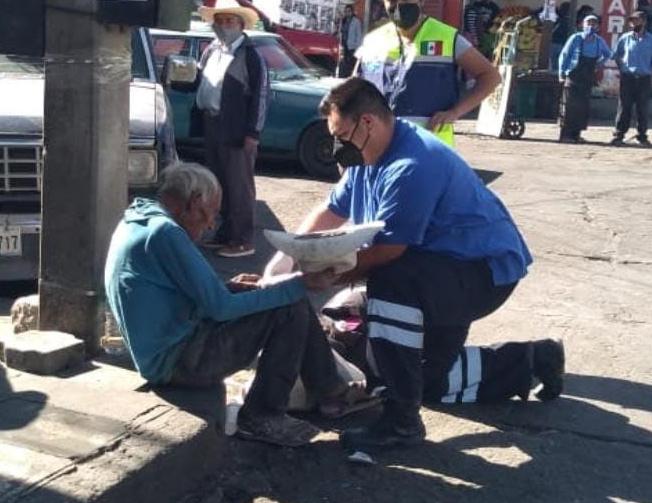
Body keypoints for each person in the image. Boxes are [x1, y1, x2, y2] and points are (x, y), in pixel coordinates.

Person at [264, 78, 566, 453]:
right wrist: (283, 263)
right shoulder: (366, 158)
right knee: (425, 380)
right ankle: (534, 360)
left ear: (368, 123)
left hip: (480, 274)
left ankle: (402, 422)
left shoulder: (412, 163)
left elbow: (388, 252)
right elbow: (330, 211)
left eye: (342, 135)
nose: (338, 147)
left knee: (390, 284)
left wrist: (321, 277)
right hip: (442, 268)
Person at [104, 163, 376, 447]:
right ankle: (264, 415)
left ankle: (329, 388)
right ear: (195, 203)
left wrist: (228, 287)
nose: (211, 225)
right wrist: (299, 284)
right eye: (211, 214)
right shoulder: (165, 233)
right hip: (177, 363)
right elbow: (220, 309)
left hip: (167, 352)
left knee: (279, 294)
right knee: (289, 304)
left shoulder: (137, 221)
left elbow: (180, 295)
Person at [354, 0, 501, 146]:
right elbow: (353, 88)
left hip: (430, 149)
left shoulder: (447, 37)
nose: (398, 5)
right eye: (392, 1)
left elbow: (490, 76)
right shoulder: (373, 41)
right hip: (380, 147)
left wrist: (455, 112)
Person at [195, 0, 268, 258]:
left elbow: (261, 96)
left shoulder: (250, 55)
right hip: (212, 123)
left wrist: (253, 133)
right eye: (220, 21)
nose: (224, 26)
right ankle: (225, 233)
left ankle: (243, 240)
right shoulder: (211, 49)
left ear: (240, 24)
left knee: (239, 187)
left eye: (229, 21)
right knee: (218, 183)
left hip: (237, 130)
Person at [558, 15, 611, 143]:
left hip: (587, 78)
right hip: (573, 76)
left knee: (582, 107)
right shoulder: (575, 38)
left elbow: (608, 54)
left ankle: (577, 134)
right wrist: (561, 74)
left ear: (598, 27)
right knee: (569, 105)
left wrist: (598, 64)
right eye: (588, 23)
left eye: (594, 23)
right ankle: (565, 135)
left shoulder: (599, 41)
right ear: (582, 24)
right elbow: (564, 55)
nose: (591, 26)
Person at [611, 11, 652, 147]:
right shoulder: (625, 38)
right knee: (624, 107)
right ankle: (619, 135)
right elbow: (616, 55)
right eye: (632, 21)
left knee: (643, 108)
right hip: (628, 78)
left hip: (644, 78)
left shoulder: (650, 40)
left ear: (644, 22)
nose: (634, 23)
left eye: (637, 20)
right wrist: (622, 69)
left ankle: (642, 136)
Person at [337, 5, 363, 78]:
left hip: (352, 46)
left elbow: (359, 35)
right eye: (346, 11)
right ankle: (344, 76)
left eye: (349, 11)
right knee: (344, 63)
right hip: (344, 45)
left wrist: (358, 47)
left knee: (351, 63)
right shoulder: (344, 20)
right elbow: (341, 31)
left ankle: (350, 77)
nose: (347, 13)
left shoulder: (356, 21)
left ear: (352, 12)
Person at [550, 2, 571, 73]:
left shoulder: (558, 20)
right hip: (560, 44)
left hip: (556, 43)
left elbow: (552, 31)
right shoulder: (568, 21)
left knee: (554, 65)